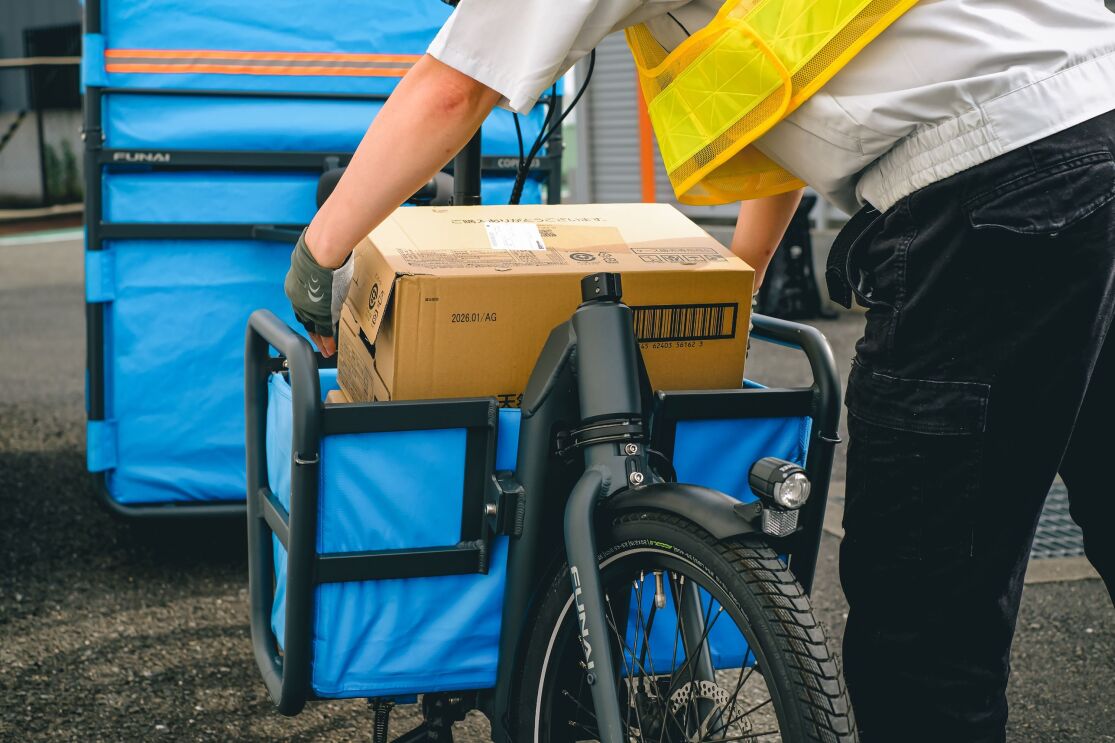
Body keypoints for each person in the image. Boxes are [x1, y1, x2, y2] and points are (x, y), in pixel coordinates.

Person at [285, 1, 1115, 740]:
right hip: (1093, 110)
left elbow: (451, 88)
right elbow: (792, 82)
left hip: (988, 187)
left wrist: (319, 261)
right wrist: (738, 278)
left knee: (922, 624)